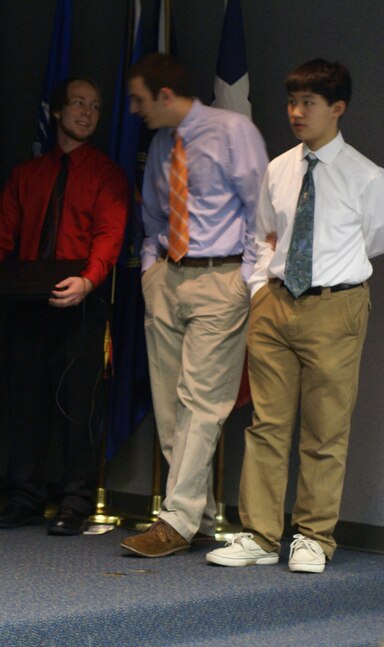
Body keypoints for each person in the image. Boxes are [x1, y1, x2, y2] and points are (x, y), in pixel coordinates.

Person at [207, 60, 384, 572]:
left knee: (326, 428)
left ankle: (313, 536)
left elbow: (372, 241)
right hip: (276, 303)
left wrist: (330, 277)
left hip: (336, 305)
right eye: (291, 103)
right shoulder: (279, 167)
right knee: (267, 423)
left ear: (337, 108)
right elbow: (267, 233)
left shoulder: (367, 176)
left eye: (308, 103)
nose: (296, 113)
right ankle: (260, 535)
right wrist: (262, 288)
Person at [0, 76, 129, 536]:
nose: (86, 112)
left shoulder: (106, 174)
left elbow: (109, 235)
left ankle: (75, 501)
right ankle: (25, 498)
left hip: (81, 304)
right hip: (29, 302)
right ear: (56, 112)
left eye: (94, 106)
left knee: (79, 408)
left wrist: (89, 280)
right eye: (77, 103)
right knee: (25, 405)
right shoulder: (28, 175)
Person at [120, 53, 268, 557]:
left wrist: (244, 279)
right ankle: (197, 513)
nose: (134, 108)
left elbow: (260, 210)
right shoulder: (164, 143)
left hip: (219, 279)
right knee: (169, 407)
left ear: (164, 95)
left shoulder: (232, 131)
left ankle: (175, 520)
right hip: (168, 277)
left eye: (140, 98)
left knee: (202, 404)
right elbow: (154, 215)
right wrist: (150, 270)